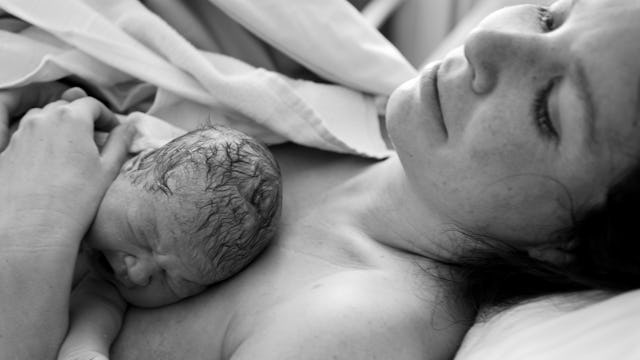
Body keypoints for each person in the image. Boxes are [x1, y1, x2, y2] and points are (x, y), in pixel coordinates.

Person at [2, 0, 640, 359]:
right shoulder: (338, 123)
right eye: (550, 16)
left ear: (568, 243)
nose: (489, 44)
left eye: (549, 110)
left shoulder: (354, 328)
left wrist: (30, 234)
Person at [0, 86, 282, 360]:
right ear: (133, 165)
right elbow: (52, 110)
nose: (136, 274)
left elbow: (95, 316)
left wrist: (85, 351)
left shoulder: (107, 283)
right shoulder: (94, 148)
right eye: (141, 234)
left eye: (172, 280)